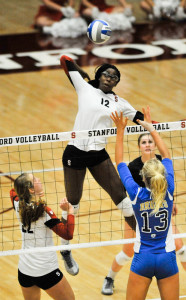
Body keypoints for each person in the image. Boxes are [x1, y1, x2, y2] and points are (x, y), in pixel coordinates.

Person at [59, 54, 144, 276]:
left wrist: (152, 124)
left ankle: (145, 245)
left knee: (124, 201)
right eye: (106, 74)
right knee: (73, 205)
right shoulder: (84, 87)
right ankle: (65, 249)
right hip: (75, 153)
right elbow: (65, 59)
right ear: (99, 75)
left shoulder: (120, 103)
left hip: (98, 155)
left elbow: (138, 117)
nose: (110, 78)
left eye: (114, 77)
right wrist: (83, 74)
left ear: (117, 82)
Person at [102, 132, 186, 295]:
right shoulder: (169, 190)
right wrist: (150, 127)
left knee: (181, 247)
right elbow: (167, 155)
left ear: (144, 177)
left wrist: (120, 130)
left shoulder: (136, 193)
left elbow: (119, 162)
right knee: (127, 251)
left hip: (143, 258)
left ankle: (109, 278)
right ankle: (109, 278)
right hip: (166, 258)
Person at [10, 173, 75, 300]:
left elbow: (13, 191)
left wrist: (32, 196)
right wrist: (70, 211)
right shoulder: (44, 212)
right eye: (34, 179)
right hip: (46, 271)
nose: (38, 179)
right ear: (31, 189)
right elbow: (67, 234)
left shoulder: (18, 204)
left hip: (25, 270)